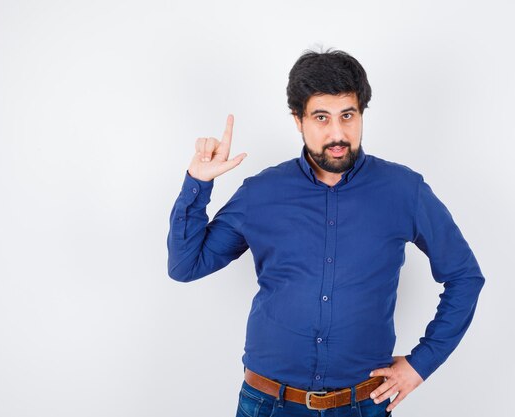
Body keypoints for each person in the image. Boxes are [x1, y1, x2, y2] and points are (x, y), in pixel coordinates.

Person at [167, 48, 485, 417]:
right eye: (321, 117)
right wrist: (197, 185)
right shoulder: (261, 192)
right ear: (298, 120)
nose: (337, 133)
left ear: (361, 114)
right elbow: (186, 266)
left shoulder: (404, 190)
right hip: (268, 404)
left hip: (363, 404)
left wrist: (420, 365)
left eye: (347, 115)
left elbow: (464, 276)